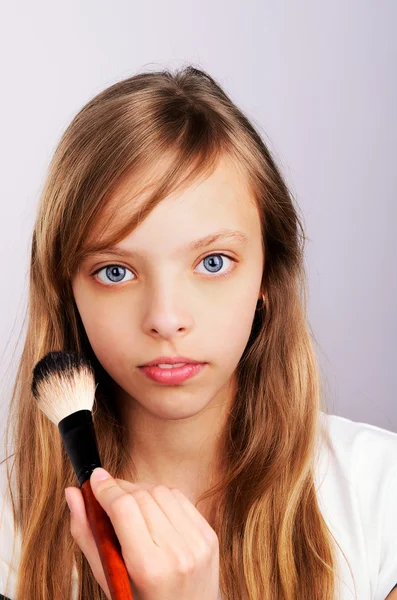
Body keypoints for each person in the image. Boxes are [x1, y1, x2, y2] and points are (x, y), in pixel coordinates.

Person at [0, 65, 396, 600]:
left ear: (267, 277)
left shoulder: (382, 494)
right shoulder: (8, 526)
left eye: (212, 262)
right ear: (67, 288)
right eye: (116, 271)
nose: (166, 318)